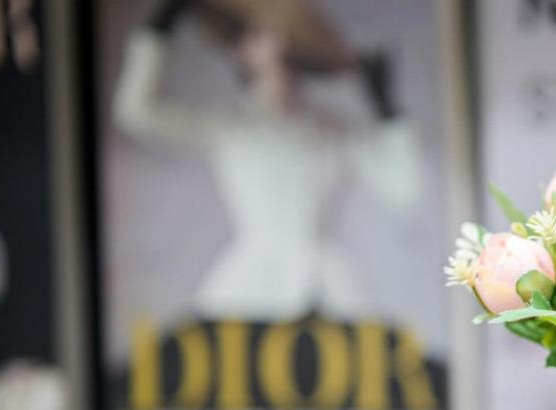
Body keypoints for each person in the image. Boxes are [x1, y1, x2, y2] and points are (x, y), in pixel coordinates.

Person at [113, 0, 421, 320]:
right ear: (242, 50)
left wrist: (388, 112)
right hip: (250, 288)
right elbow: (136, 112)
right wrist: (157, 30)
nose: (279, 43)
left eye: (287, 34)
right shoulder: (232, 127)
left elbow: (404, 189)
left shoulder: (332, 131)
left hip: (326, 291)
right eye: (262, 34)